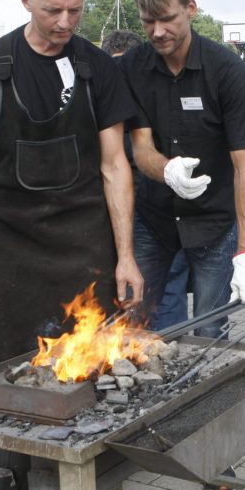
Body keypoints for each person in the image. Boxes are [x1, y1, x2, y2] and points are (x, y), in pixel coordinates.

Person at [0, 0, 142, 363]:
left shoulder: (99, 68)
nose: (66, 22)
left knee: (94, 364)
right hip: (10, 247)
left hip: (85, 243)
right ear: (25, 0)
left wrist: (126, 257)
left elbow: (115, 167)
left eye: (75, 10)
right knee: (16, 367)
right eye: (53, 10)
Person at [119, 0, 245, 340]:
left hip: (214, 221)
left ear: (190, 8)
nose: (157, 31)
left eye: (167, 18)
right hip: (153, 218)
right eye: (147, 21)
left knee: (208, 327)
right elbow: (141, 147)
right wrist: (167, 170)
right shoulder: (133, 67)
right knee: (137, 325)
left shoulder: (226, 70)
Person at [103, 28, 190, 331]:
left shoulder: (144, 93)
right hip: (126, 212)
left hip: (156, 210)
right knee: (141, 299)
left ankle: (166, 359)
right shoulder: (125, 91)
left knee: (161, 295)